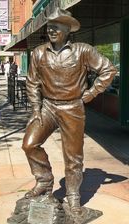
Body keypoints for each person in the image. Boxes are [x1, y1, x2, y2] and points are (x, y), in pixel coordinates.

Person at [22, 8, 117, 216]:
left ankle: (73, 196)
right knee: (29, 144)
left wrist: (91, 94)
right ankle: (44, 182)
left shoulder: (83, 50)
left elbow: (108, 70)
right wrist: (36, 109)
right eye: (49, 26)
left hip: (72, 107)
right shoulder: (39, 52)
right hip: (47, 106)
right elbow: (32, 82)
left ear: (67, 30)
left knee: (73, 157)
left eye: (56, 26)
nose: (51, 30)